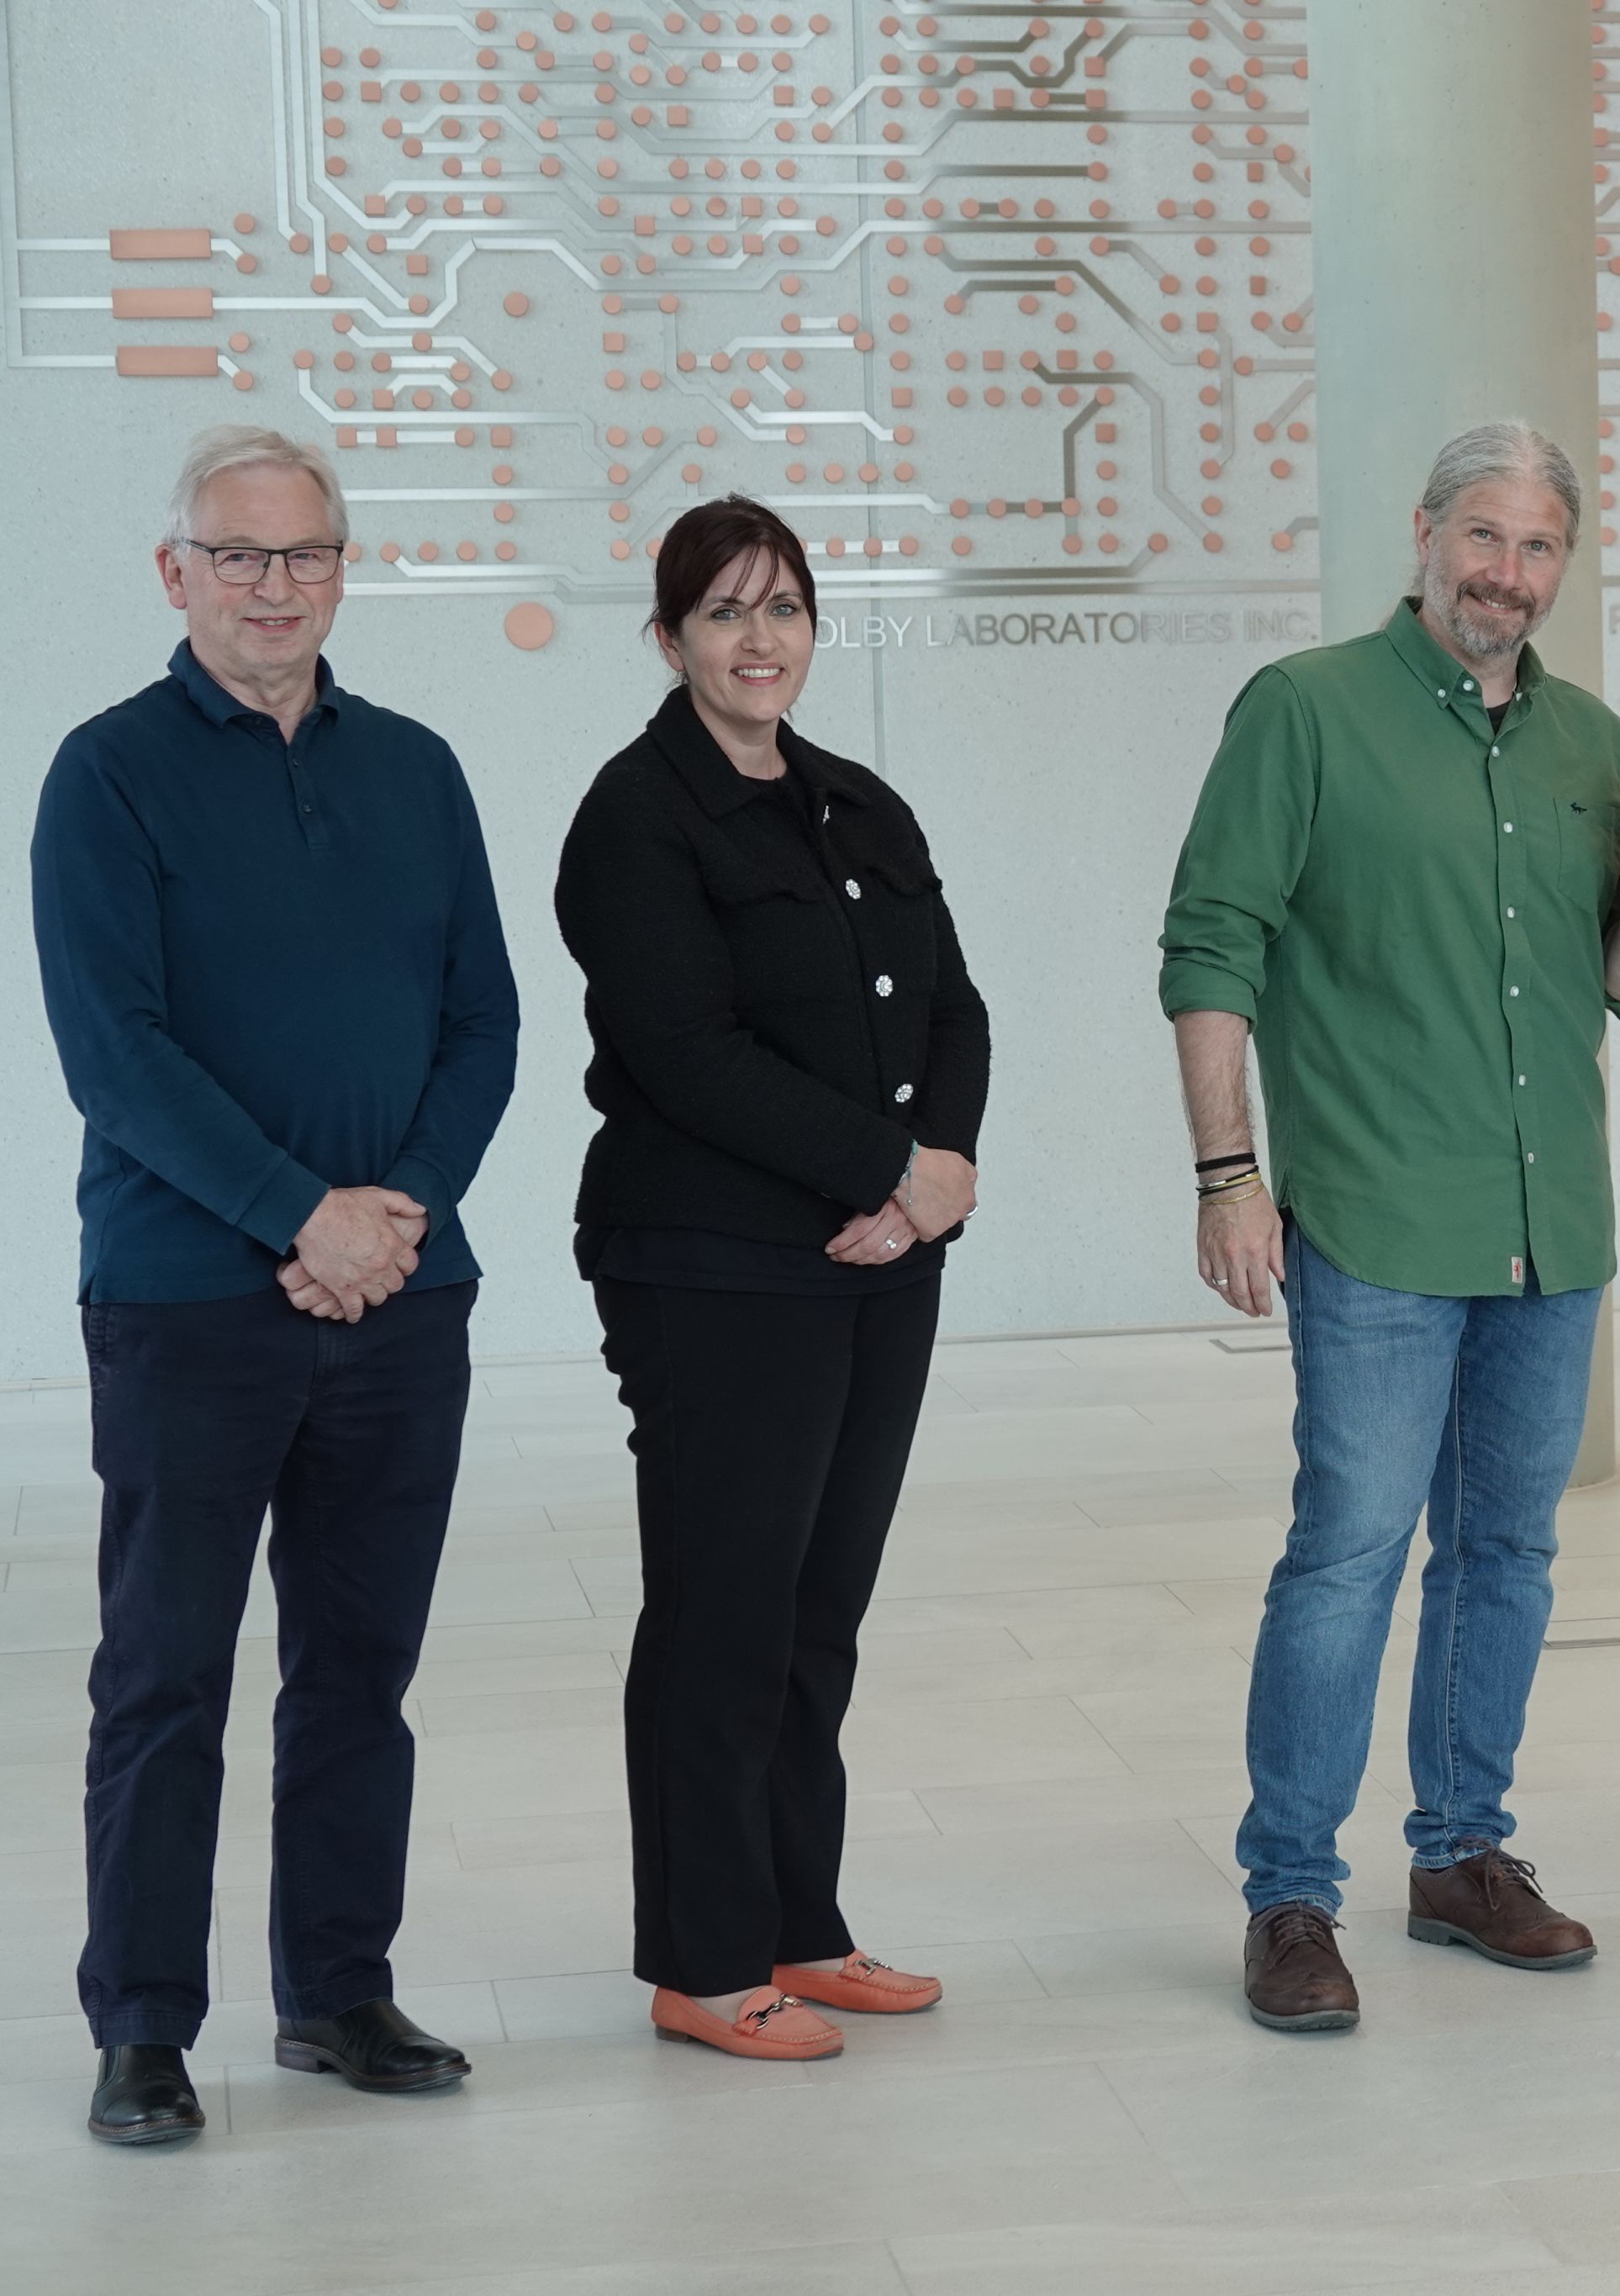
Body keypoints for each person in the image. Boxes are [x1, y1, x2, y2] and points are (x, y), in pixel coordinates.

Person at [1160, 422, 1620, 2035]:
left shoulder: (1595, 742)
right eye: (1484, 537)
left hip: (1553, 1231)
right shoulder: (1307, 713)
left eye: (1541, 547)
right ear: (1422, 536)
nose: (1509, 574)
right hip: (1380, 1221)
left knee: (1509, 1555)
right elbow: (1212, 947)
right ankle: (1290, 1895)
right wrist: (1226, 1173)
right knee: (1347, 1557)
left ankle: (1465, 1853)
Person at [32, 427, 520, 2144]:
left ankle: (334, 1989)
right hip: (184, 1296)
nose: (273, 586)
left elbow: (485, 1022)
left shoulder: (418, 768)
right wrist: (295, 1215)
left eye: (304, 555)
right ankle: (146, 2023)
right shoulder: (105, 776)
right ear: (177, 574)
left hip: (405, 1293)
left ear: (341, 570)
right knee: (166, 1669)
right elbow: (120, 1057)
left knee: (356, 1665)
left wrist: (395, 1214)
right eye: (237, 557)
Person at [554, 496, 991, 2063]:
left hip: (882, 1267)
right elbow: (686, 1052)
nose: (761, 639)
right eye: (726, 611)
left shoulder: (857, 798)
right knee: (724, 1612)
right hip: (715, 1270)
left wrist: (938, 1171)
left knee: (820, 1611)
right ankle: (704, 1954)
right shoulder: (636, 815)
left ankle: (803, 1924)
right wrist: (883, 1173)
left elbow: (952, 1006)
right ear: (668, 638)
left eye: (785, 608)